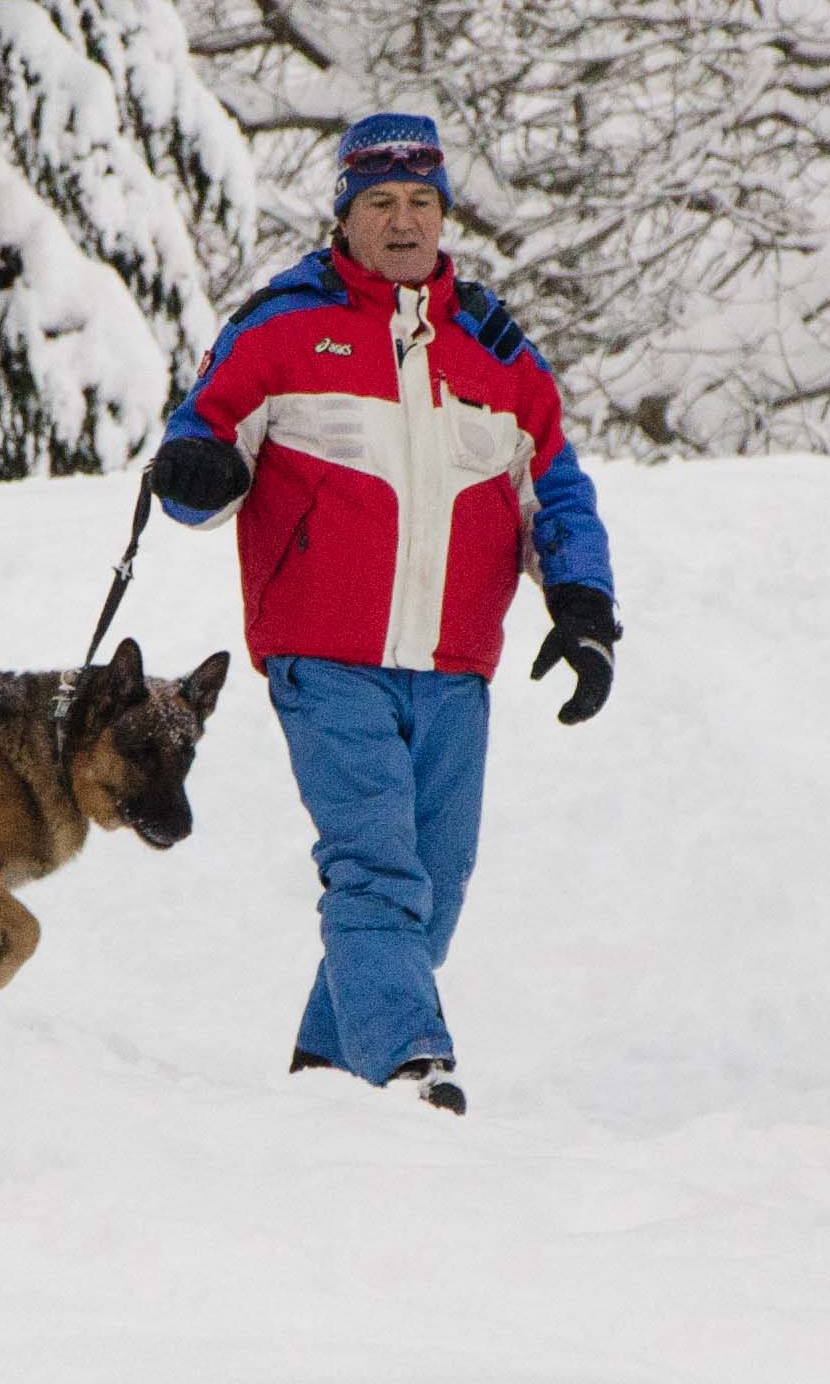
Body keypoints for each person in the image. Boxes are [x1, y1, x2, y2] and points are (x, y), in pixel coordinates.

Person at [147, 111, 618, 1117]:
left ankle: (326, 1063)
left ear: (442, 214)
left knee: (435, 883)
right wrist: (191, 474)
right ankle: (407, 1063)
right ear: (345, 217)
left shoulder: (495, 348)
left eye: (420, 202)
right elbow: (203, 454)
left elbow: (554, 484)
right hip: (325, 653)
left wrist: (582, 603)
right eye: (380, 203)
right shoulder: (279, 324)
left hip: (454, 661)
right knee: (374, 864)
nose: (403, 221)